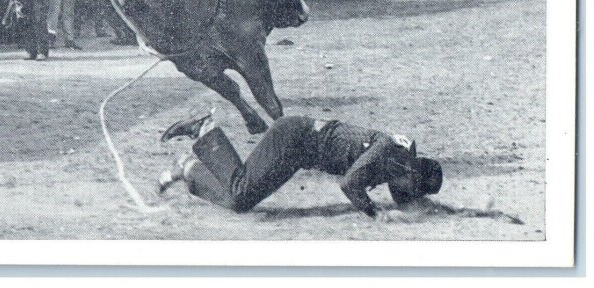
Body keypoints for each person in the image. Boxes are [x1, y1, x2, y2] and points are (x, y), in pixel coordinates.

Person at [158, 114, 443, 219]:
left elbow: (403, 195)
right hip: (293, 138)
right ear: (411, 173)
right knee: (240, 189)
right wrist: (375, 214)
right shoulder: (387, 153)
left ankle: (188, 167)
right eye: (412, 190)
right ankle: (205, 131)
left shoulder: (399, 161)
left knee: (238, 203)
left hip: (298, 149)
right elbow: (349, 184)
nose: (403, 193)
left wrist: (424, 206)